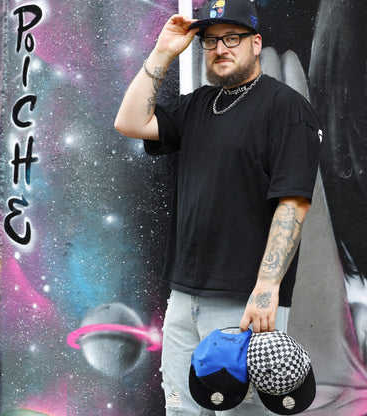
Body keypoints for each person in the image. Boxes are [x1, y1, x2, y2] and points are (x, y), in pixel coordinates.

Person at [115, 0, 321, 414]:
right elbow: (130, 121)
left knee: (242, 412)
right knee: (181, 408)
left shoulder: (286, 107)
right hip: (184, 296)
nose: (220, 49)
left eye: (232, 38)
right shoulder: (198, 104)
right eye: (210, 41)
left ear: (255, 43)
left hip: (244, 301)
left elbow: (293, 203)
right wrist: (163, 51)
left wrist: (267, 288)